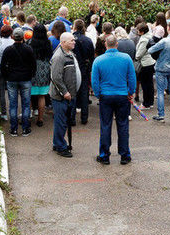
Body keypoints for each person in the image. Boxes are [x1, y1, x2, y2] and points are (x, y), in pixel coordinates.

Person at [91, 34, 137, 165]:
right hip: (122, 95)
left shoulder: (98, 60)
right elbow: (132, 77)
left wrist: (98, 94)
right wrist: (130, 92)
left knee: (105, 125)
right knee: (123, 126)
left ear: (106, 44)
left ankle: (104, 155)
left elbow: (95, 81)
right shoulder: (126, 58)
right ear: (117, 44)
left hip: (105, 96)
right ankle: (125, 155)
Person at [48, 31, 80, 157]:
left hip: (69, 95)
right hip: (61, 96)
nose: (74, 42)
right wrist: (65, 92)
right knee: (61, 122)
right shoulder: (59, 57)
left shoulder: (69, 53)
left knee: (62, 121)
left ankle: (57, 143)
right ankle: (61, 147)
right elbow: (55, 77)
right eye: (71, 40)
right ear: (63, 42)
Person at [0, 28, 35, 136]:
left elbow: (2, 65)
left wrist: (6, 76)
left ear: (13, 37)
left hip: (12, 78)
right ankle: (25, 128)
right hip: (25, 78)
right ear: (23, 37)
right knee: (25, 104)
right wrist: (31, 75)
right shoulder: (28, 49)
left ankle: (14, 129)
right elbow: (33, 65)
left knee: (13, 104)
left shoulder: (8, 50)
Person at [149, 20, 170, 122]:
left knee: (160, 91)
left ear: (168, 29)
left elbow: (151, 50)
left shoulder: (164, 41)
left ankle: (161, 115)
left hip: (162, 67)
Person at [29, 24, 53, 128]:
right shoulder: (48, 43)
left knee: (28, 95)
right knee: (42, 95)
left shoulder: (30, 42)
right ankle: (40, 118)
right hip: (44, 70)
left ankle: (28, 116)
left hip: (32, 69)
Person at [71, 19, 95, 125]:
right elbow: (91, 56)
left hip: (72, 69)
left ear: (74, 27)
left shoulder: (70, 39)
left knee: (73, 93)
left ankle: (72, 119)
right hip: (84, 68)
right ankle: (84, 118)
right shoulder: (88, 40)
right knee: (84, 93)